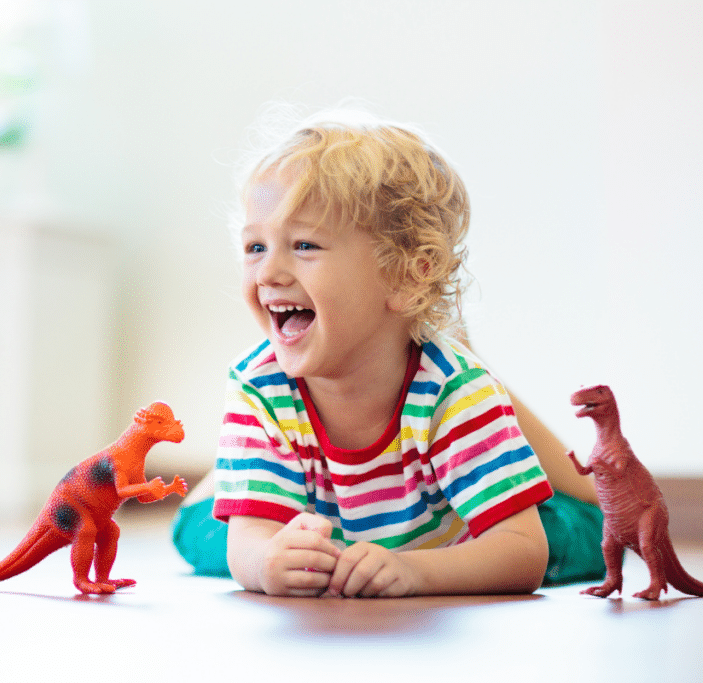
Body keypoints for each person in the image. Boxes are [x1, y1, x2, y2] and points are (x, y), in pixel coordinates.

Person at [172, 107, 604, 597]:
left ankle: (460, 361)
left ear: (406, 276)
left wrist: (419, 571)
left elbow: (525, 552)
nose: (268, 273)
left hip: (446, 529)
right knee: (204, 537)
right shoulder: (258, 384)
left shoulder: (451, 389)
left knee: (582, 538)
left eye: (305, 245)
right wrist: (266, 561)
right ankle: (237, 478)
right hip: (317, 516)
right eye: (255, 248)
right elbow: (248, 544)